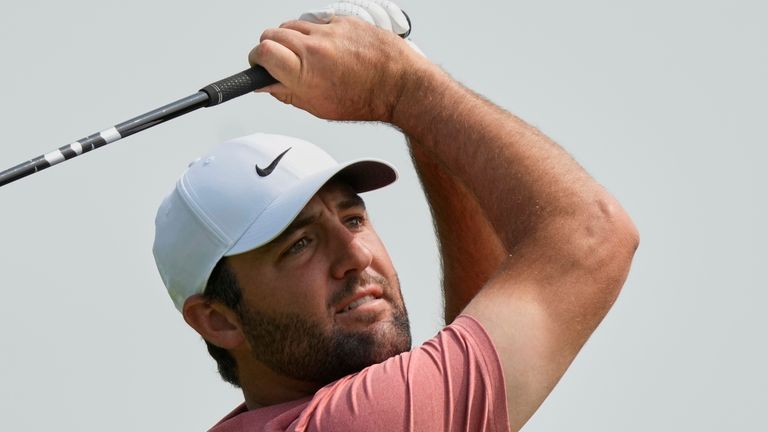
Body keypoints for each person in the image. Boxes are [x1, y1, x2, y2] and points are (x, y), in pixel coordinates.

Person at [152, 2, 639, 431]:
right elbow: (592, 234)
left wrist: (422, 113)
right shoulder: (356, 422)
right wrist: (403, 88)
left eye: (353, 219)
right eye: (298, 244)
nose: (356, 255)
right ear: (217, 320)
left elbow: (475, 356)